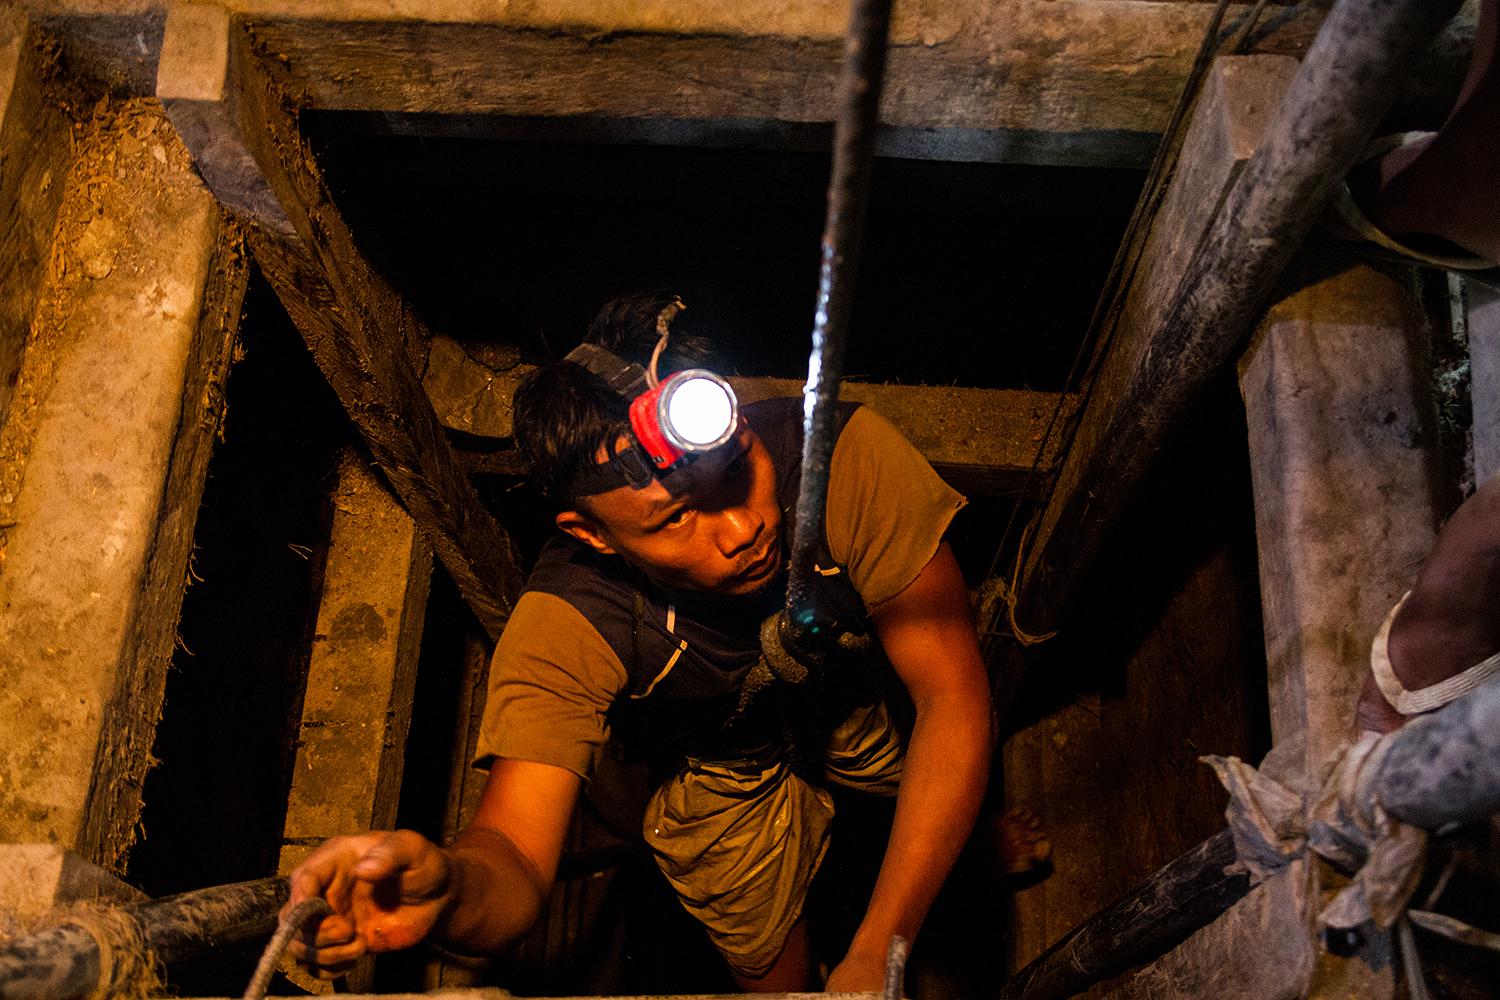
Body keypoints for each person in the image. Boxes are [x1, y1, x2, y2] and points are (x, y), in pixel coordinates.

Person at [284, 292, 994, 992]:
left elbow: (950, 698)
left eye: (736, 469)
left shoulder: (845, 459)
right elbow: (517, 858)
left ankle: (985, 849)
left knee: (942, 778)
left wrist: (881, 944)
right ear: (592, 535)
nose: (742, 527)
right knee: (766, 955)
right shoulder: (568, 621)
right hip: (722, 761)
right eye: (678, 518)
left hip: (847, 690)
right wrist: (449, 891)